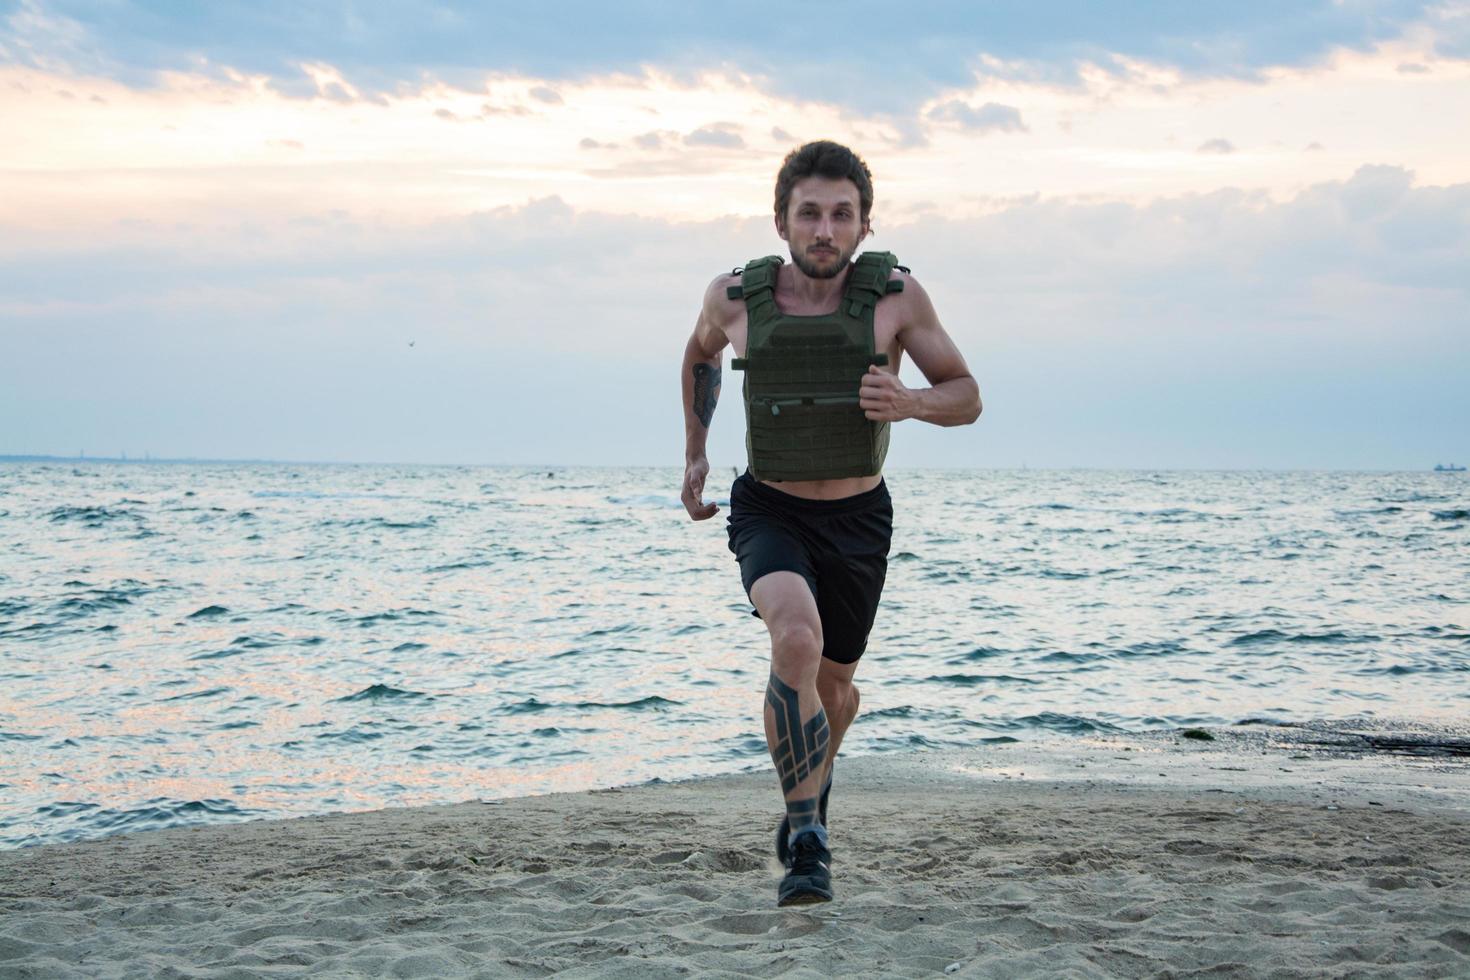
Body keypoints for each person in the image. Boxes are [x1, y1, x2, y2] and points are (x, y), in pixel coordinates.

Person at [679, 140, 981, 906]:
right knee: (797, 640)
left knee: (837, 691)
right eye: (808, 213)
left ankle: (813, 779)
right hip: (768, 507)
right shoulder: (735, 298)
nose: (824, 229)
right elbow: (699, 356)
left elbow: (967, 393)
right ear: (781, 221)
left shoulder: (897, 299)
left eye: (840, 215)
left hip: (858, 517)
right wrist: (695, 453)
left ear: (864, 225)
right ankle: (806, 836)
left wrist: (911, 403)